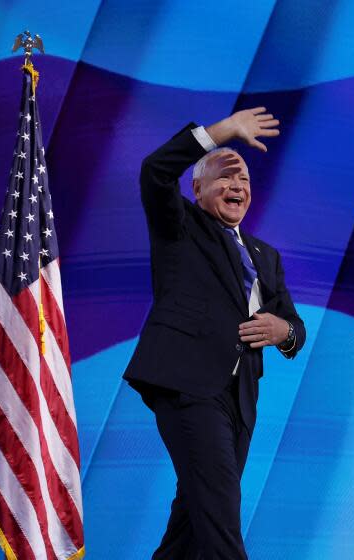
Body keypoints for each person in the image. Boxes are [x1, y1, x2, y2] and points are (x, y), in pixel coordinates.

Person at [122, 108, 307, 559]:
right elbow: (155, 171)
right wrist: (223, 133)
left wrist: (283, 331)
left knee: (194, 519)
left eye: (243, 180)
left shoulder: (266, 256)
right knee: (221, 512)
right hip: (188, 388)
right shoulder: (180, 227)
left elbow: (295, 330)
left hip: (239, 401)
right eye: (224, 177)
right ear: (197, 187)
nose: (236, 186)